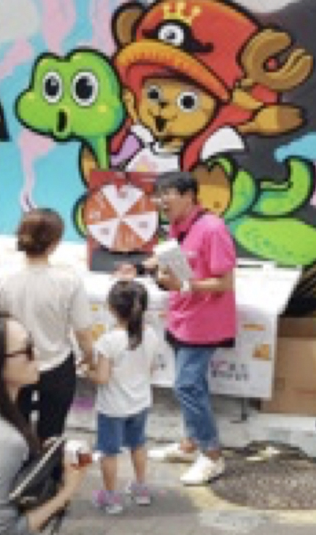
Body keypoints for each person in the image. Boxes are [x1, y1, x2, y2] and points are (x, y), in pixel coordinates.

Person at [117, 170, 236, 486]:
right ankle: (190, 444)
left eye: (167, 194)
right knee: (193, 385)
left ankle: (212, 455)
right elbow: (168, 255)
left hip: (205, 322)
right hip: (181, 317)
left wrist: (183, 285)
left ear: (189, 195)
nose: (160, 201)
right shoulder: (178, 225)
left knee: (186, 386)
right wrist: (138, 268)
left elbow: (225, 283)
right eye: (158, 195)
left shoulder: (213, 229)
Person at [0, 310, 88, 535]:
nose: (36, 354)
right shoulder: (3, 439)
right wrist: (66, 492)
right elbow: (1, 531)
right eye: (27, 349)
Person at [0, 208, 95, 442]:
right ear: (55, 243)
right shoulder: (69, 280)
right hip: (56, 365)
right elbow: (82, 330)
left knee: (14, 431)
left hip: (12, 364)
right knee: (52, 433)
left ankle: (18, 464)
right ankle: (48, 465)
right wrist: (89, 355)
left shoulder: (0, 278)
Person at [83, 280, 160, 514]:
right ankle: (141, 488)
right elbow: (151, 368)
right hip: (140, 402)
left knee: (109, 452)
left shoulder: (109, 341)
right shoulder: (150, 334)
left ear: (111, 308)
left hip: (113, 407)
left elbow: (102, 378)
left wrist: (87, 371)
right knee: (138, 444)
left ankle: (110, 497)